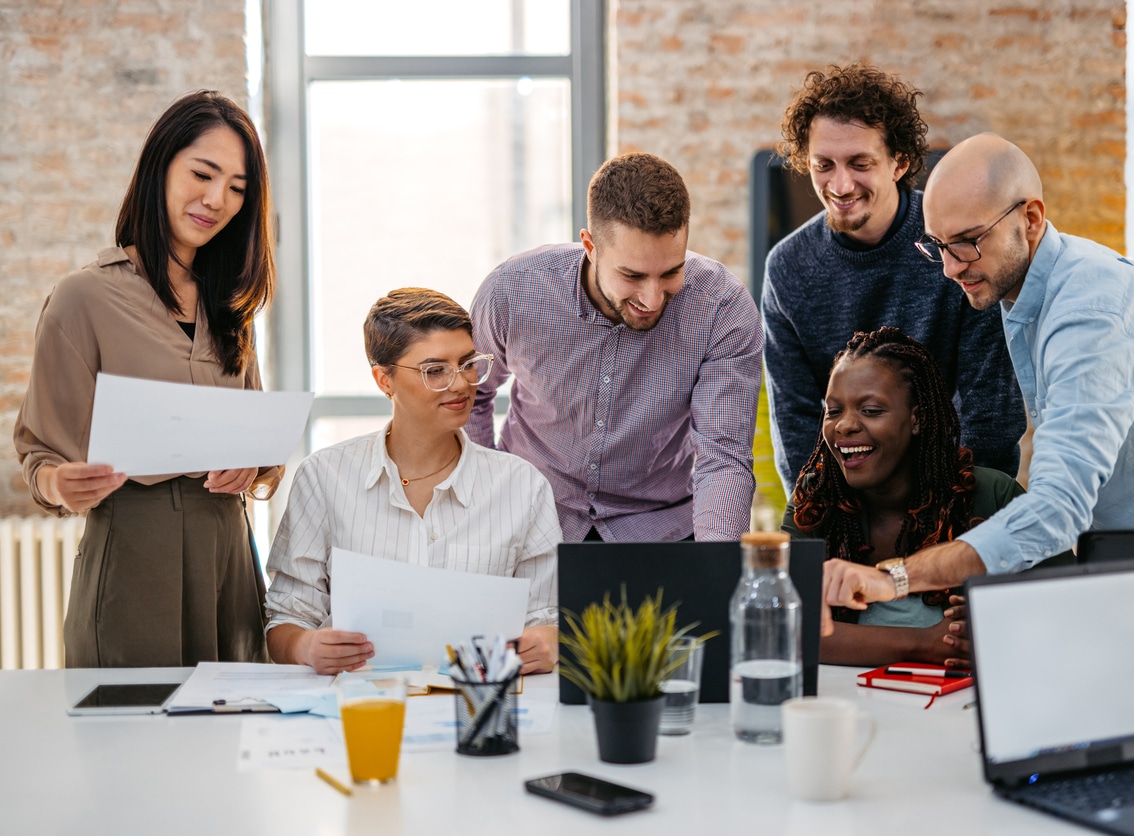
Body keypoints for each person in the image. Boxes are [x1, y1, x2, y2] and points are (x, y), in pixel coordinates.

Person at [824, 133, 1134, 612]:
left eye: (966, 243)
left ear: (1030, 219)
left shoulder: (1090, 311)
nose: (949, 268)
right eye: (937, 245)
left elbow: (1057, 510)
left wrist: (896, 577)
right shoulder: (1024, 290)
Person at [13, 91, 279, 668]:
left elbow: (260, 436)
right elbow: (40, 452)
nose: (217, 200)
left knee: (230, 740)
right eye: (203, 174)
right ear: (161, 166)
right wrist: (62, 484)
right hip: (133, 552)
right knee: (128, 741)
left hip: (228, 553)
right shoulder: (83, 297)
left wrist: (253, 463)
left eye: (238, 188)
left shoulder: (231, 306)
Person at [467, 152, 763, 541]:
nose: (653, 298)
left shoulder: (721, 309)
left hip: (658, 530)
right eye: (632, 275)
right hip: (530, 517)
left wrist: (716, 568)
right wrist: (485, 498)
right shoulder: (513, 291)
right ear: (590, 245)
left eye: (671, 272)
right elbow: (470, 393)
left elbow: (723, 456)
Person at [266, 288, 561, 676]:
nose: (461, 384)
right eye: (435, 370)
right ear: (383, 380)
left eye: (468, 363)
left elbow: (547, 617)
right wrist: (305, 646)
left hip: (478, 707)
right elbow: (286, 617)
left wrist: (547, 642)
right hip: (357, 709)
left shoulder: (522, 486)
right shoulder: (324, 476)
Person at [762, 64, 1025, 493]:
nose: (840, 184)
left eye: (860, 163)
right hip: (846, 508)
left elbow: (990, 412)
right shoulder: (788, 268)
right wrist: (828, 528)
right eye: (823, 165)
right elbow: (796, 426)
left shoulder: (959, 243)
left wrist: (952, 519)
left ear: (899, 162)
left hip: (953, 497)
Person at [784, 328, 1040, 667]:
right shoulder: (816, 501)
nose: (844, 425)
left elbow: (1065, 608)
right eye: (833, 411)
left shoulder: (991, 496)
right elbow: (781, 629)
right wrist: (925, 644)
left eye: (871, 410)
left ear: (916, 418)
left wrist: (999, 623)